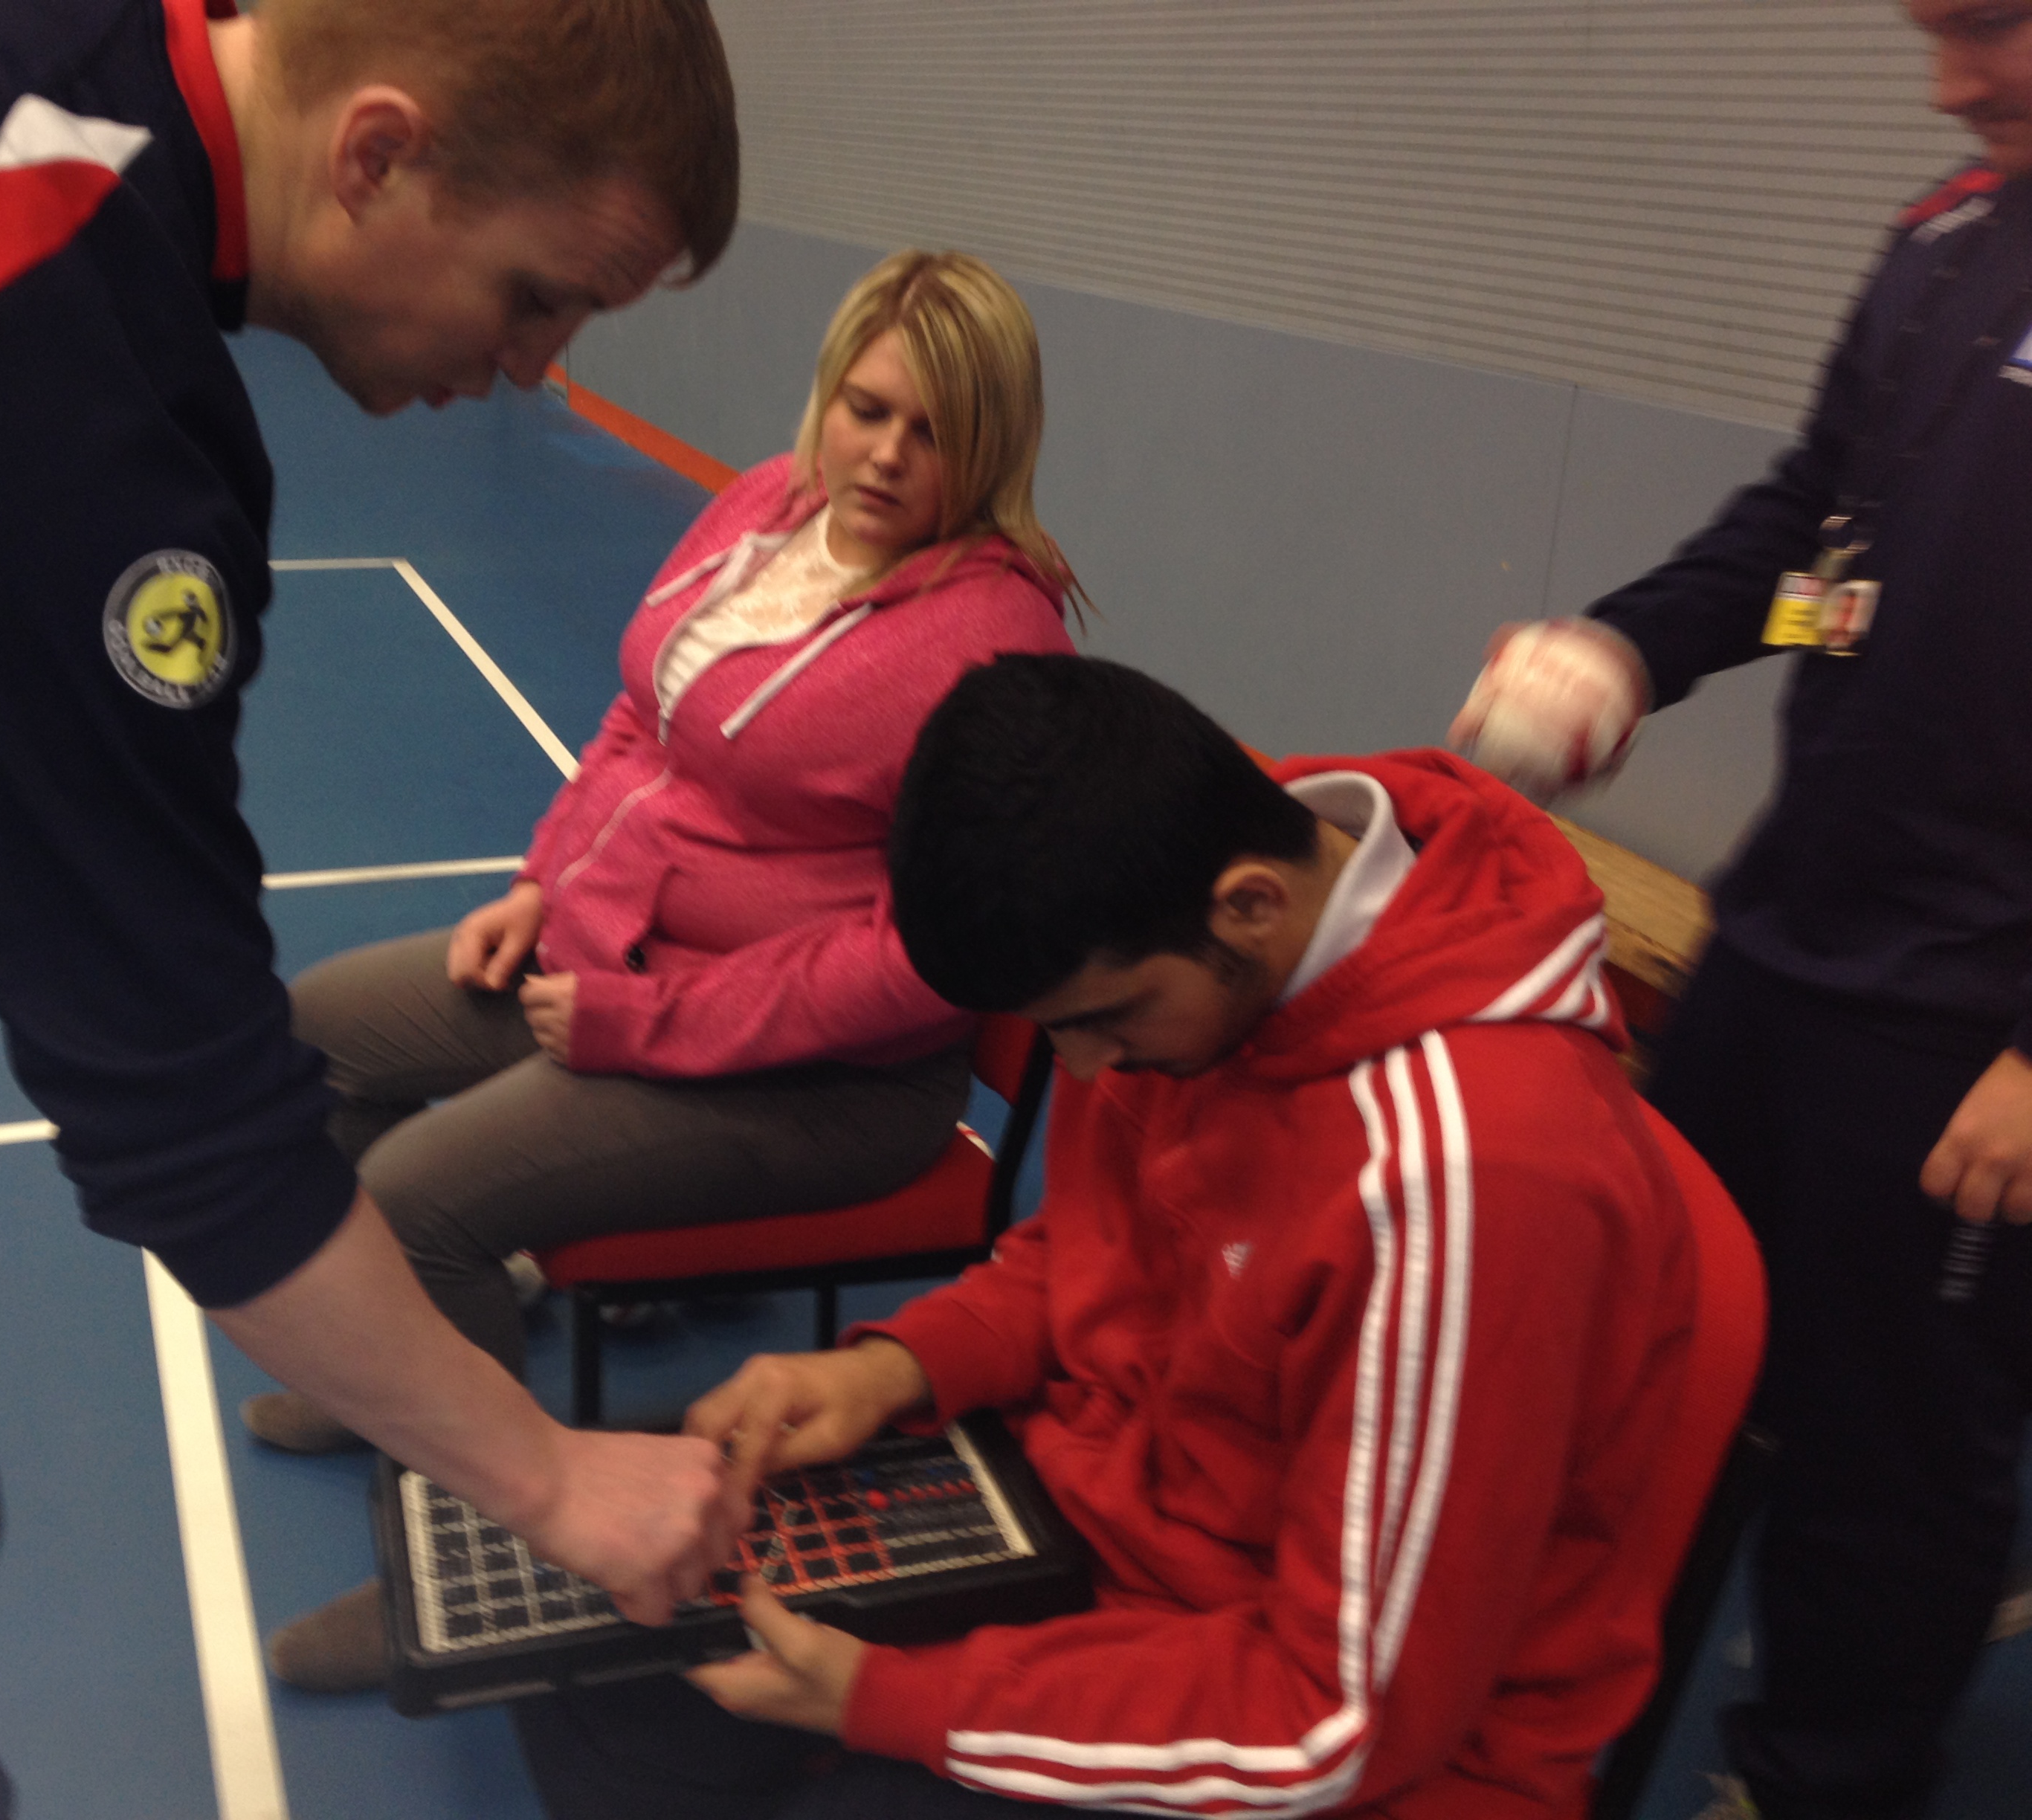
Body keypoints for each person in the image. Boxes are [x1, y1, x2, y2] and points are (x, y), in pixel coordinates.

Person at [0, 0, 741, 1812]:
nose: (537, 364)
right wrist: (548, 1479)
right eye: (538, 296)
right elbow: (177, 1109)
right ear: (379, 154)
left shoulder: (58, 79)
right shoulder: (42, 326)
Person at [514, 653, 1703, 1819]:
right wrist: (895, 1367)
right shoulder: (1201, 948)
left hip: (1322, 1729)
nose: (1084, 1071)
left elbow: (1348, 1722)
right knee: (613, 1646)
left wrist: (901, 1701)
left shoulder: (1471, 1182)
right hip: (1109, 1530)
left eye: (1101, 1023)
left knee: (671, 1733)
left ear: (1251, 905)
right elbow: (1088, 1255)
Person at [244, 248, 1084, 1691]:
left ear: (991, 444)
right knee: (313, 1041)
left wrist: (653, 1018)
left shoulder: (995, 645)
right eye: (867, 408)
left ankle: (480, 1566)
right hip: (613, 955)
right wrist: (538, 886)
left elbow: (932, 961)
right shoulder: (770, 509)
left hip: (825, 1079)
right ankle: (409, 1375)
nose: (883, 454)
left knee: (417, 1196)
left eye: (932, 430)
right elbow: (644, 720)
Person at [1446, 6, 2032, 1814]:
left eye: (1991, 25)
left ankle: (1823, 1775)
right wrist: (1628, 648)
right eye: (1932, 29)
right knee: (1654, 1356)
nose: (1948, 78)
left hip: (1963, 1020)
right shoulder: (1948, 235)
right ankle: (1571, 1727)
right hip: (1784, 942)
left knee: (1890, 1465)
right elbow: (1815, 533)